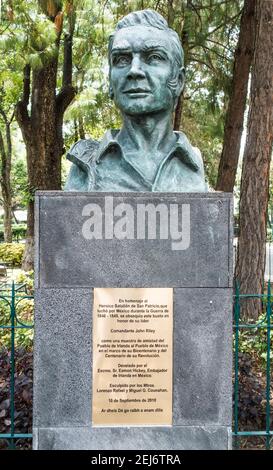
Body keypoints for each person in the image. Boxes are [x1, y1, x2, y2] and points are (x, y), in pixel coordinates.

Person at [65, 9, 207, 192]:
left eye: (154, 57)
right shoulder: (84, 166)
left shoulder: (193, 164)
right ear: (110, 83)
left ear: (178, 81)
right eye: (122, 59)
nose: (134, 70)